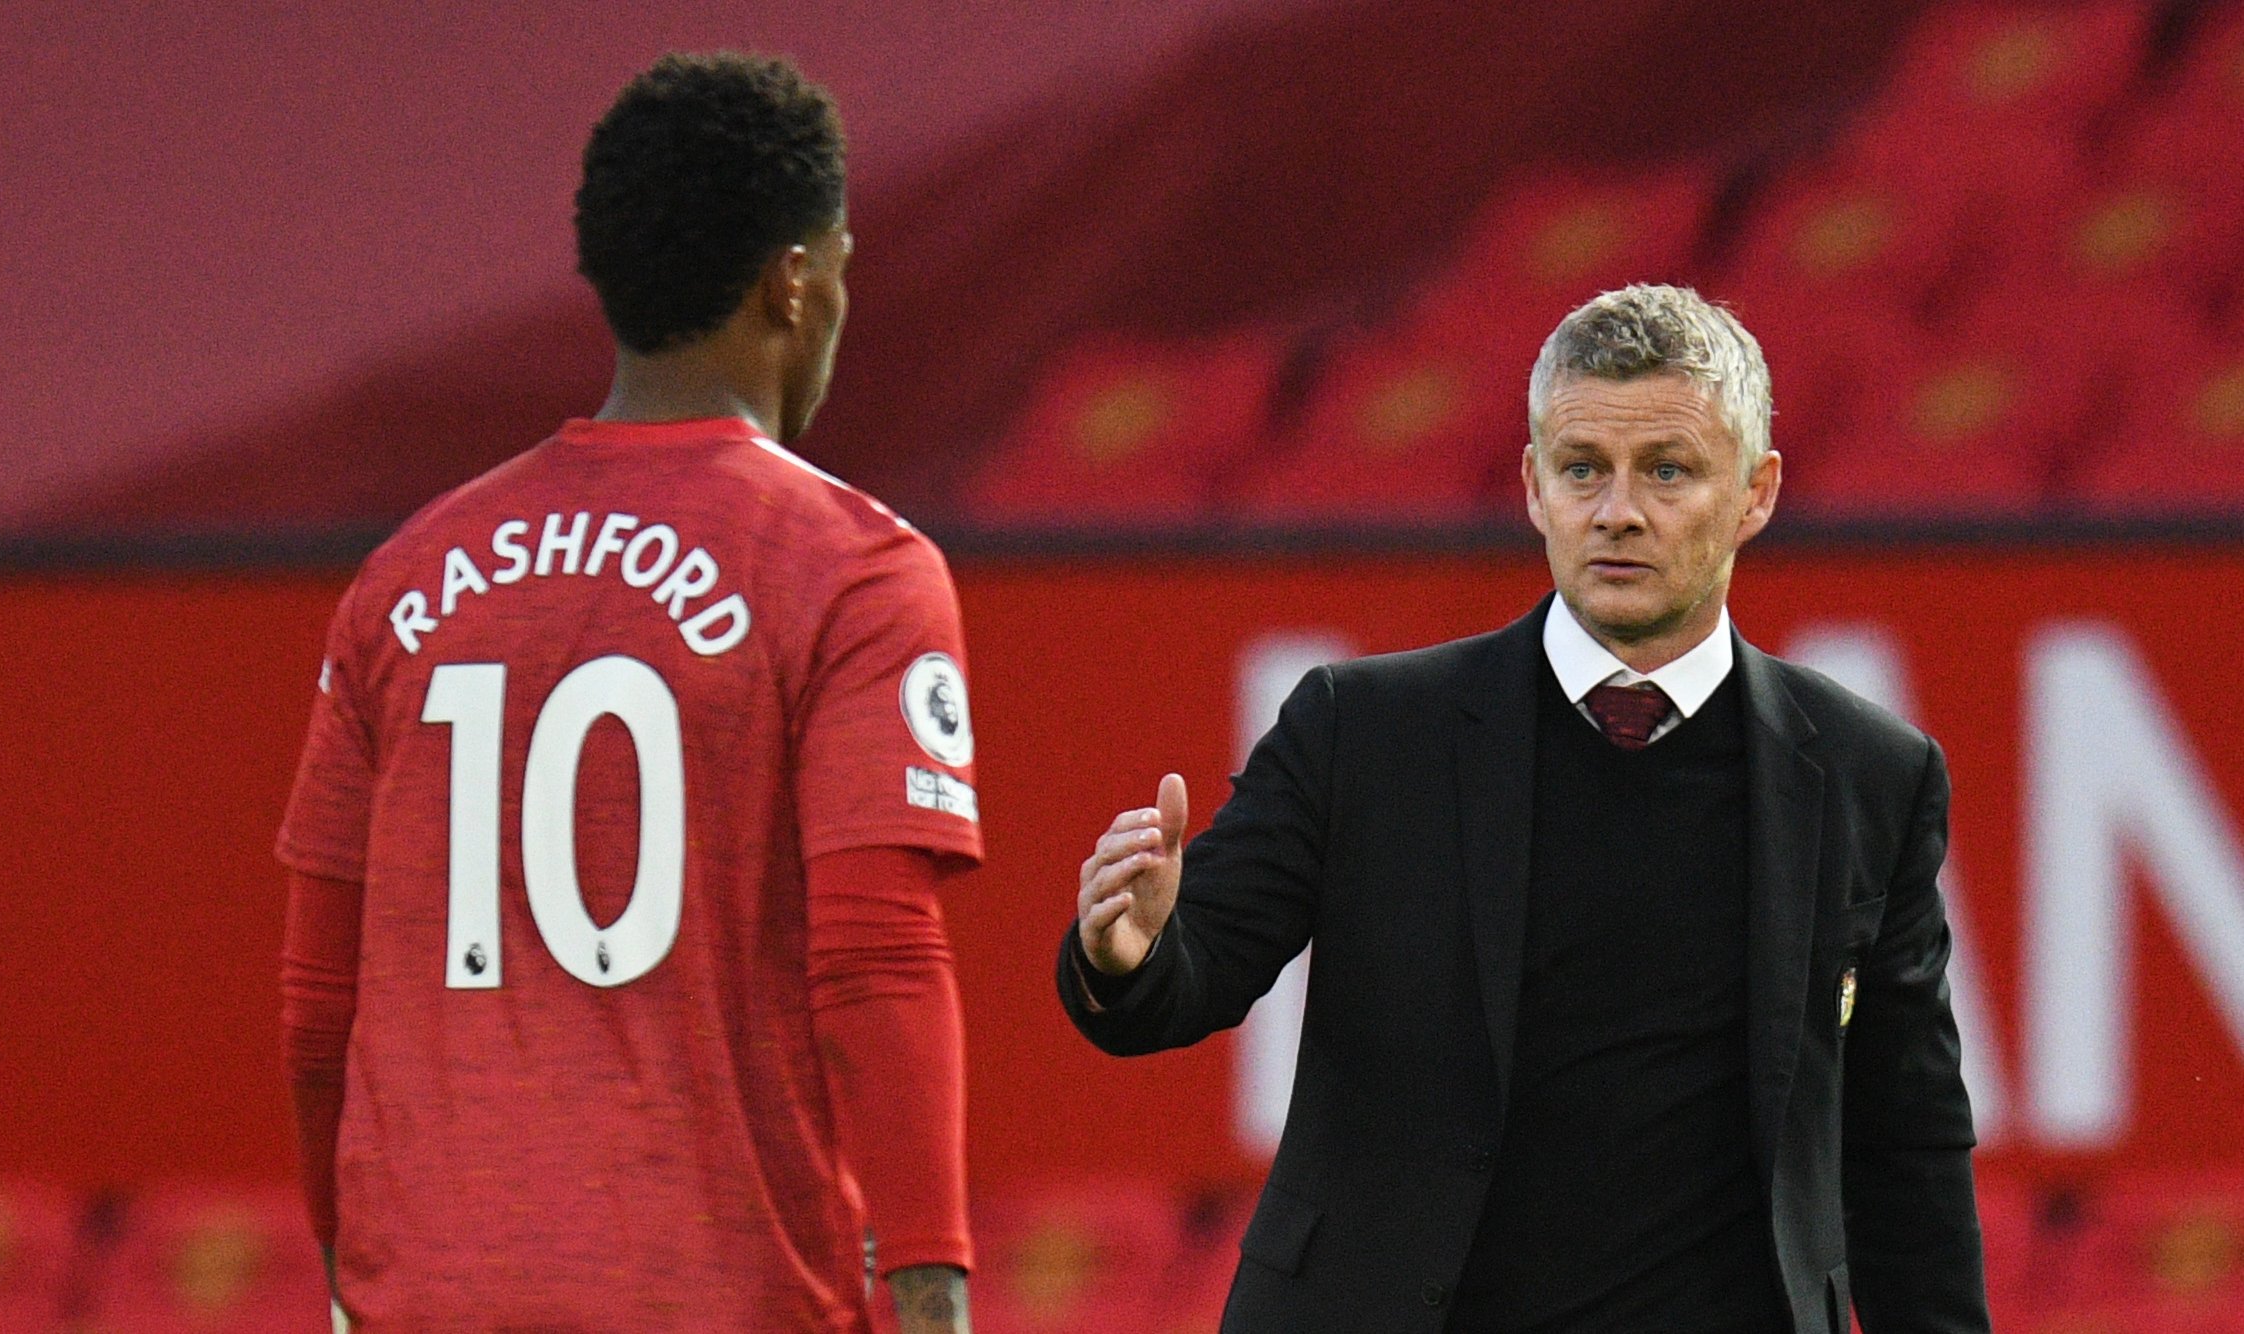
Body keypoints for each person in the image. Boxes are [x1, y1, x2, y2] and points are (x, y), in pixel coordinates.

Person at [1061, 285, 1987, 1332]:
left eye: (1667, 471)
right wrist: (1127, 951)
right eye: (1580, 467)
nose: (1616, 510)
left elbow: (1903, 1134)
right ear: (1533, 486)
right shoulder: (1360, 731)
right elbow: (1189, 974)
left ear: (1755, 492)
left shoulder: (1871, 771)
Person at [278, 54, 981, 1332]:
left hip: (430, 1295)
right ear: (794, 277)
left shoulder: (403, 578)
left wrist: (347, 1259)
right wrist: (931, 1286)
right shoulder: (854, 569)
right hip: (719, 1294)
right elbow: (877, 956)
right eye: (842, 264)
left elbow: (319, 993)